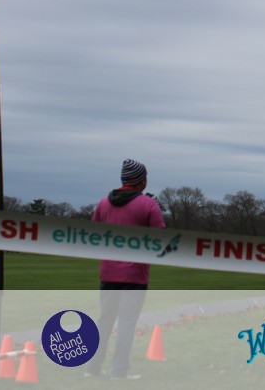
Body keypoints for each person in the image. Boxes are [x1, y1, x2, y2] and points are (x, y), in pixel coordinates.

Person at [84, 158, 165, 380]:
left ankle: (92, 368)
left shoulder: (103, 203)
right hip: (135, 275)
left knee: (104, 322)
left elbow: (94, 235)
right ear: (141, 181)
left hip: (108, 273)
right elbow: (160, 239)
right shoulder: (148, 205)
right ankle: (119, 372)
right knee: (127, 324)